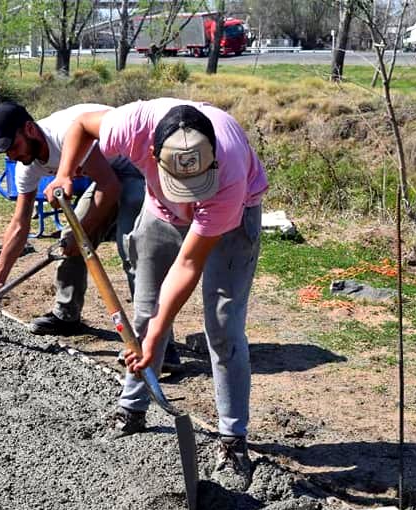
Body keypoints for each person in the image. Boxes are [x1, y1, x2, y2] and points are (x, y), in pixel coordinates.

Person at [45, 99, 268, 488]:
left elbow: (189, 264)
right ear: (150, 153)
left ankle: (233, 441)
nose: (188, 198)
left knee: (223, 327)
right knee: (145, 314)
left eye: (195, 185)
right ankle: (132, 409)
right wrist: (65, 173)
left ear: (212, 157)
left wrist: (158, 331)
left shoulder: (229, 175)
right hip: (159, 212)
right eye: (180, 185)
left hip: (233, 218)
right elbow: (81, 124)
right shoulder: (131, 127)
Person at [0, 101, 182, 372]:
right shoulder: (26, 165)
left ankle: (159, 346)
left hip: (140, 171)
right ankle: (66, 315)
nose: (12, 155)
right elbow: (19, 224)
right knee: (69, 238)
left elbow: (110, 187)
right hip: (108, 176)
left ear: (29, 129)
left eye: (13, 146)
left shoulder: (64, 134)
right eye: (6, 151)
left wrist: (82, 235)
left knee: (135, 251)